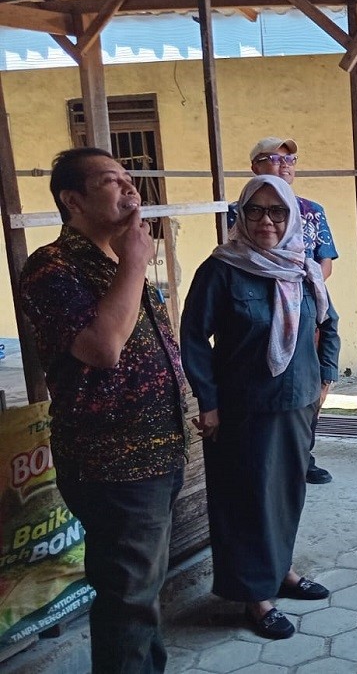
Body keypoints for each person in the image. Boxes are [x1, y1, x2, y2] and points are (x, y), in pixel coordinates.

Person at [19, 147, 188, 673]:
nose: (129, 188)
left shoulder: (114, 257)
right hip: (113, 464)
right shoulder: (51, 267)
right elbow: (103, 348)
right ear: (73, 200)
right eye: (111, 182)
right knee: (128, 599)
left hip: (160, 452)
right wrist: (137, 259)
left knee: (140, 593)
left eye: (128, 176)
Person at [180, 175, 340, 640]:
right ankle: (256, 595)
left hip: (297, 403)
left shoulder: (304, 268)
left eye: (277, 212)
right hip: (243, 408)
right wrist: (207, 403)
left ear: (291, 217)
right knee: (247, 499)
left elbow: (329, 323)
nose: (266, 221)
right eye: (255, 210)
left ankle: (281, 572)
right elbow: (192, 338)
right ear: (241, 215)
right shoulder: (222, 269)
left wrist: (325, 376)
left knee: (287, 492)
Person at [229, 137, 339, 484]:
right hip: (255, 304)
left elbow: (325, 260)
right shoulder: (241, 211)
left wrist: (297, 287)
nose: (285, 164)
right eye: (274, 158)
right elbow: (237, 254)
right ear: (255, 167)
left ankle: (303, 454)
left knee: (308, 387)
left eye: (290, 158)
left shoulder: (311, 210)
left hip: (304, 305)